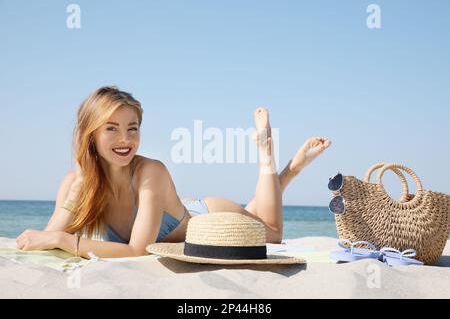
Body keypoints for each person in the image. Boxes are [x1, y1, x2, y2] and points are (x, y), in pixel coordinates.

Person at [16, 86, 331, 258]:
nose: (125, 139)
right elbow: (47, 236)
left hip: (205, 217)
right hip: (183, 208)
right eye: (111, 129)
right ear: (91, 135)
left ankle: (273, 158)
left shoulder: (150, 171)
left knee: (273, 233)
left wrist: (61, 239)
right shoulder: (75, 182)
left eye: (132, 128)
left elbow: (137, 250)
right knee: (257, 211)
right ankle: (288, 171)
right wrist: (76, 189)